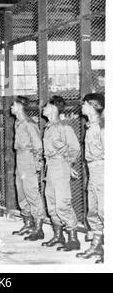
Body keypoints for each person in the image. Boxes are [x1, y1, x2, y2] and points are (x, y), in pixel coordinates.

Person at [41, 95, 81, 251]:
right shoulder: (49, 126)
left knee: (62, 203)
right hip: (50, 166)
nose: (43, 108)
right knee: (51, 203)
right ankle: (58, 237)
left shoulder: (64, 127)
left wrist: (68, 164)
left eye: (46, 106)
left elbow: (75, 148)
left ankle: (73, 239)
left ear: (53, 108)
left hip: (60, 165)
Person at [11, 96, 46, 241]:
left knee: (31, 192)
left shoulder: (29, 124)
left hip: (28, 159)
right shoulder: (18, 123)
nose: (11, 107)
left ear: (19, 106)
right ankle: (28, 223)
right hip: (20, 158)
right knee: (21, 191)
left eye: (13, 105)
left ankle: (39, 228)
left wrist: (37, 163)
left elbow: (38, 145)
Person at [76, 93, 104, 264]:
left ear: (93, 106)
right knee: (93, 211)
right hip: (93, 172)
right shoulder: (91, 126)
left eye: (85, 104)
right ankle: (96, 246)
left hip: (102, 170)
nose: (82, 107)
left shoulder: (102, 126)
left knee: (104, 211)